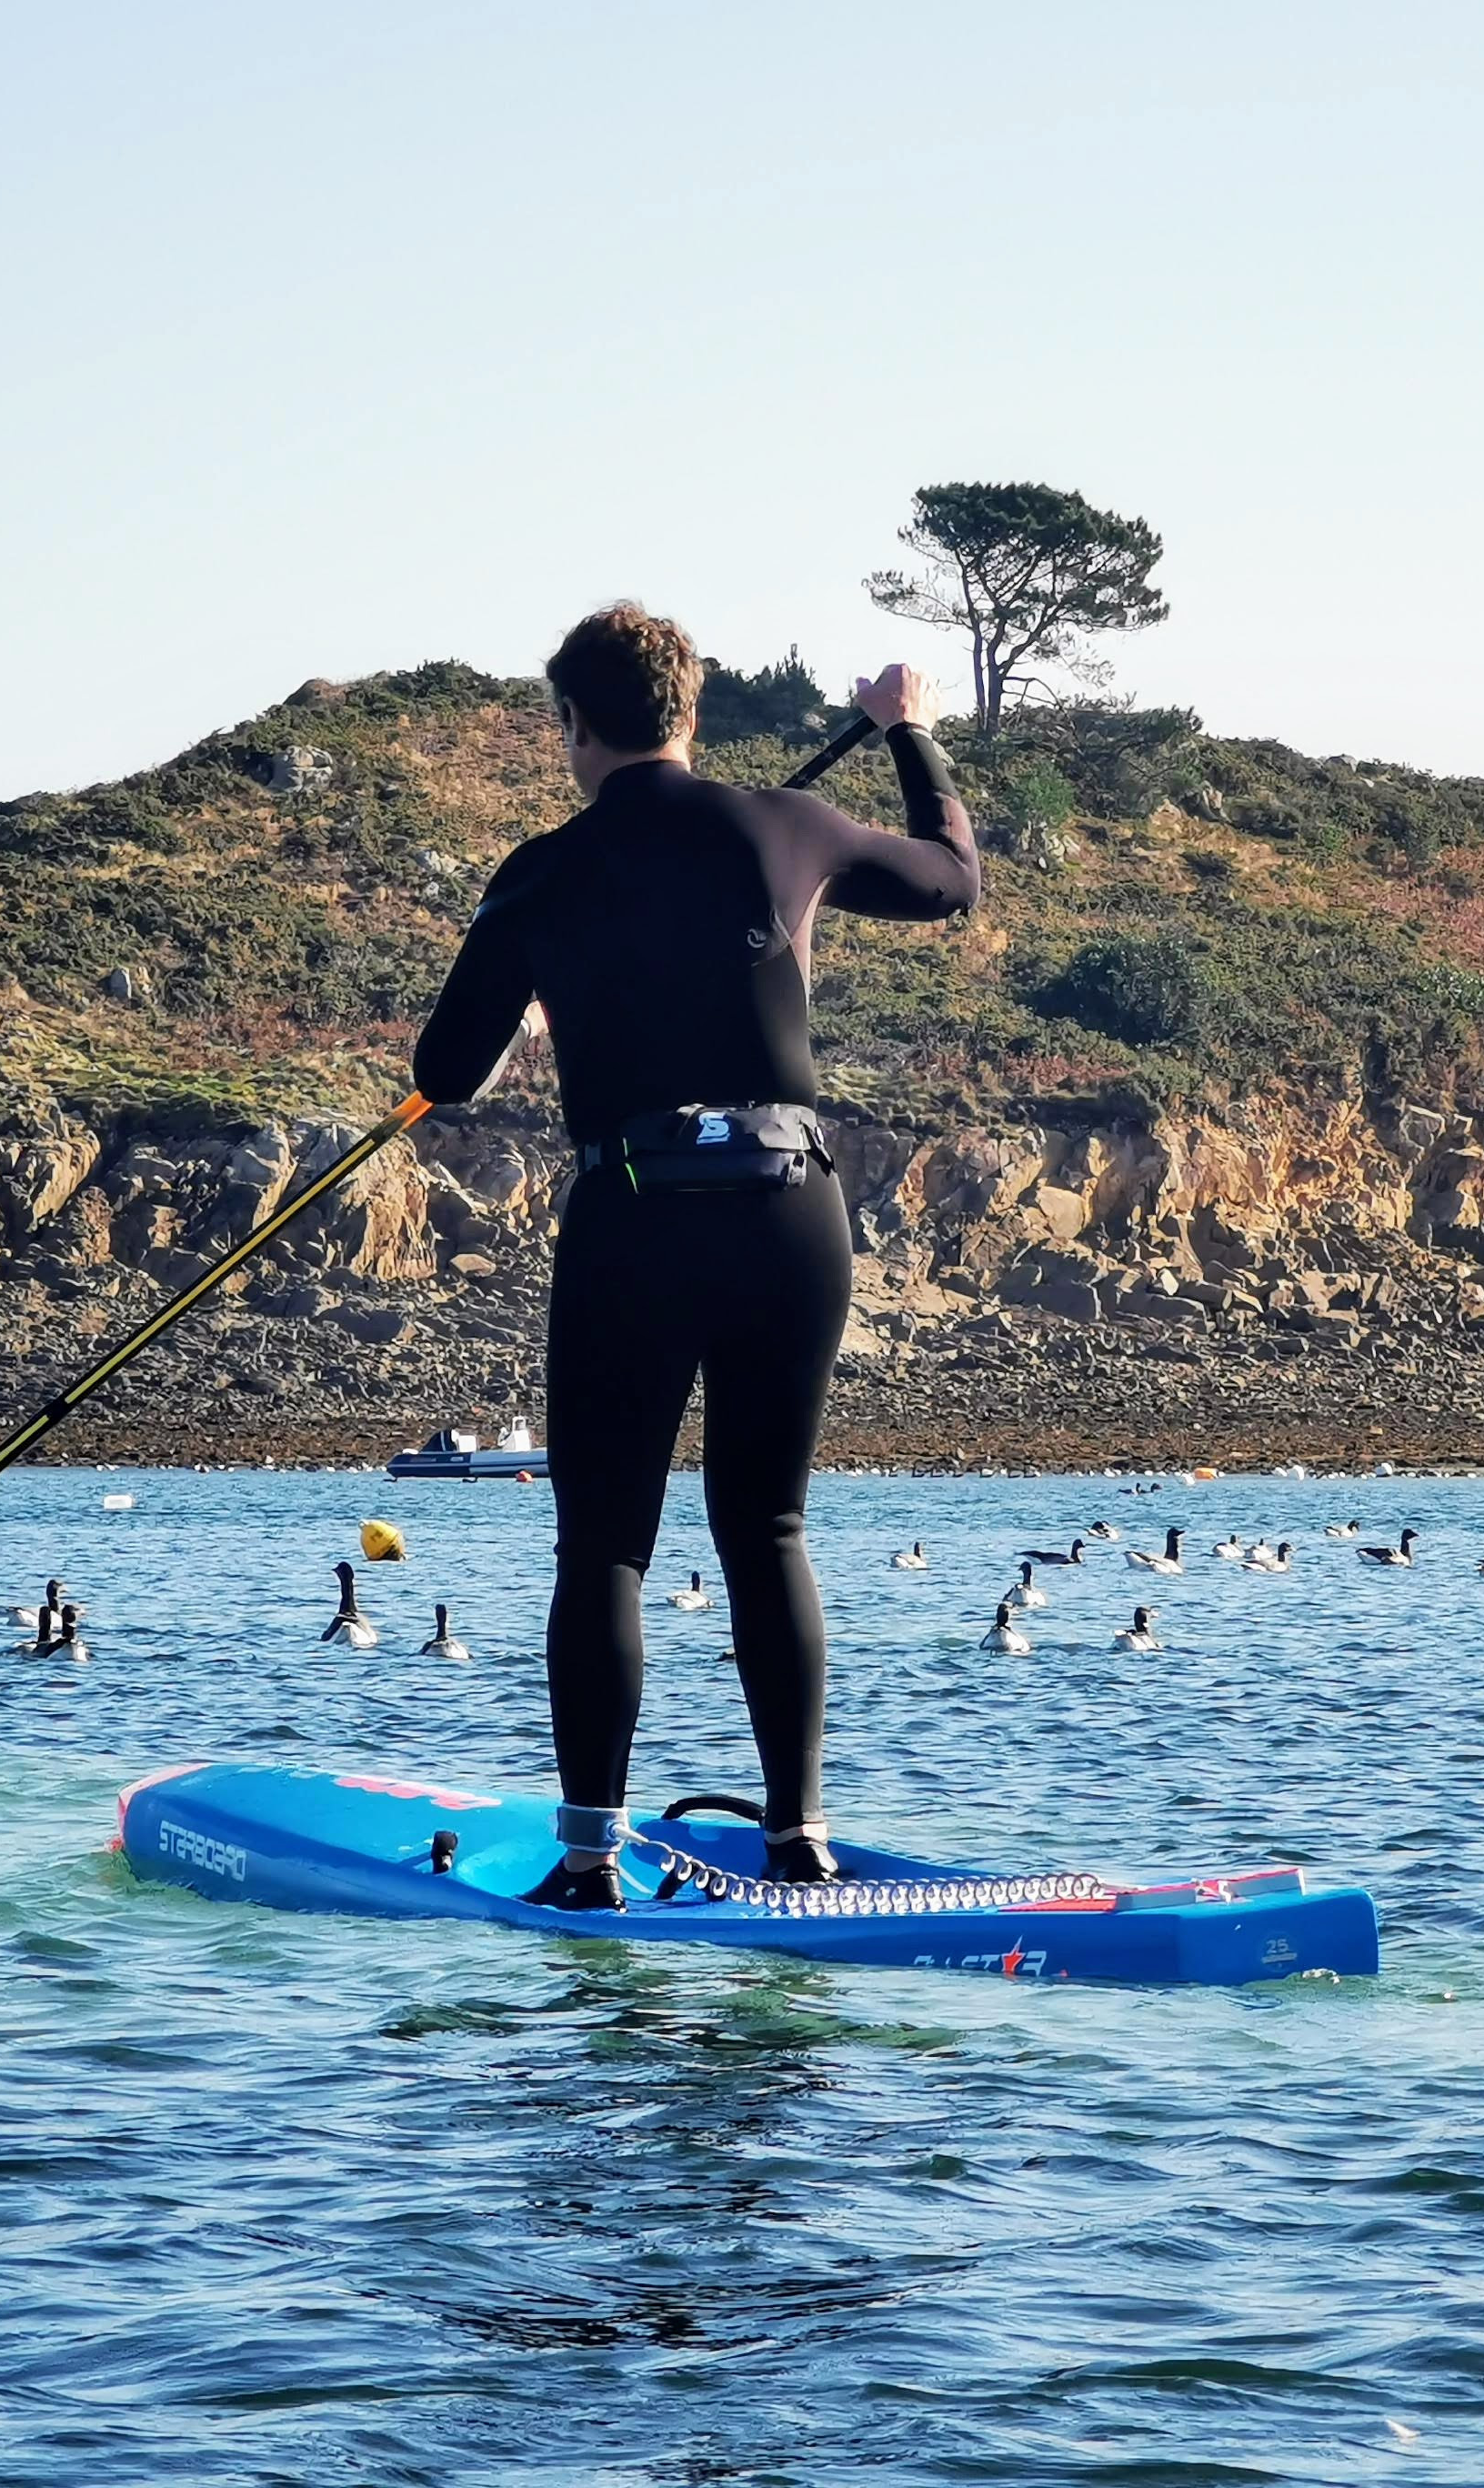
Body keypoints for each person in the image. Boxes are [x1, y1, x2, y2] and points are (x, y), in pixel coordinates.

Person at [410, 604, 978, 1908]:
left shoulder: (539, 873)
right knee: (766, 1527)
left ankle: (588, 1858)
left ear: (571, 726)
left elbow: (443, 1072)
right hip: (791, 1208)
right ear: (692, 713)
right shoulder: (788, 823)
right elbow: (954, 881)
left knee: (606, 1546)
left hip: (635, 1211)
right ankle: (799, 1841)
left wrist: (534, 1004)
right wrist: (912, 735)